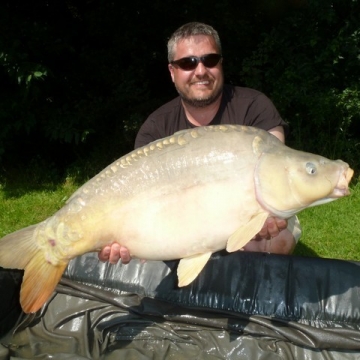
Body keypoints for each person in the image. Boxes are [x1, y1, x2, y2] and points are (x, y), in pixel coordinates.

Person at [98, 22, 302, 264]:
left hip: (247, 215)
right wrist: (120, 239)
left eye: (210, 60)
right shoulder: (155, 129)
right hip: (179, 220)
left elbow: (278, 174)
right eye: (188, 63)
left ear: (221, 64)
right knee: (144, 248)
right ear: (172, 72)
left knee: (275, 240)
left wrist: (265, 215)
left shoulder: (254, 106)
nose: (201, 70)